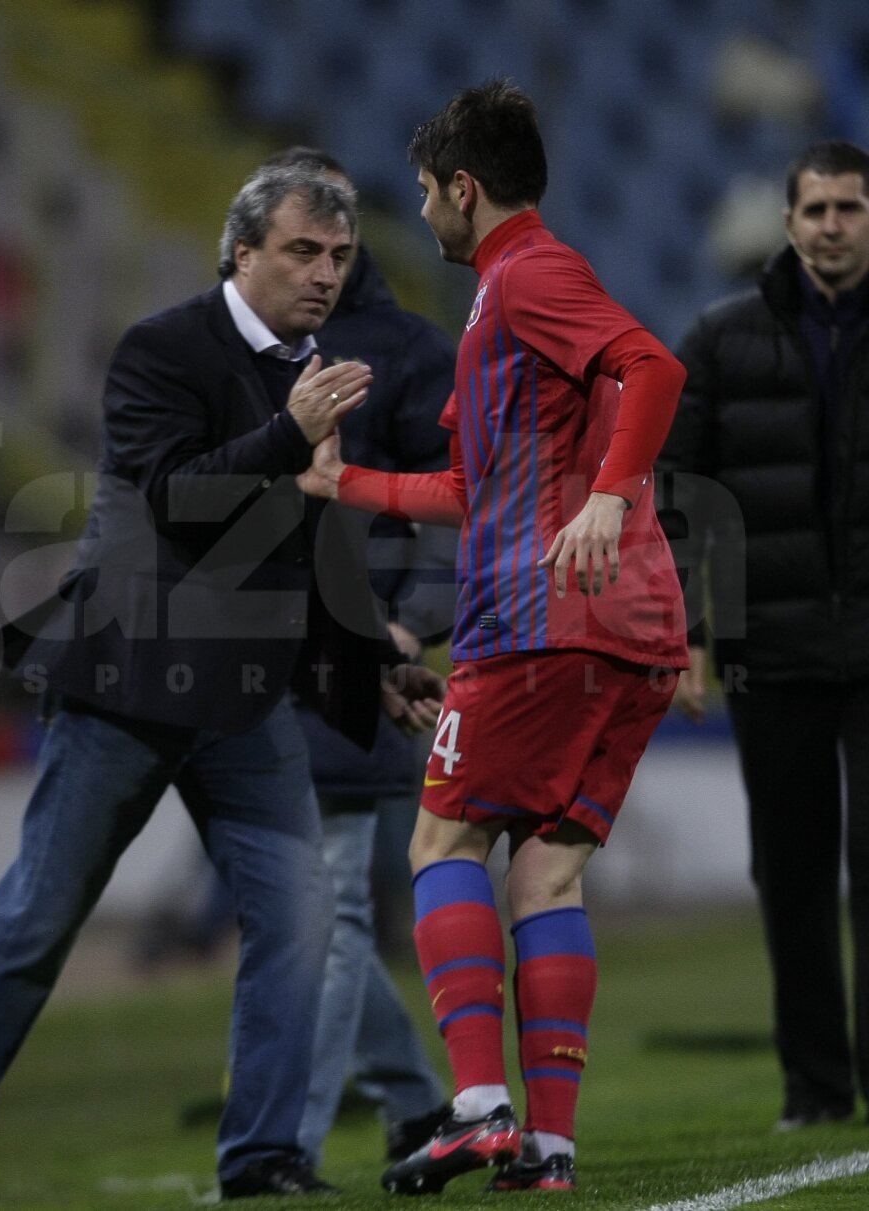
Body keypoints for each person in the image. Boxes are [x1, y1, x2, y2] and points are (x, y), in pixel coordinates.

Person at [0, 161, 444, 1209]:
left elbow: (308, 543)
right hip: (127, 682)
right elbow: (175, 497)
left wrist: (374, 659)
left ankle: (262, 1156)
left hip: (246, 700)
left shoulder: (314, 372)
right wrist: (289, 433)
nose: (325, 274)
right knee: (38, 920)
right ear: (243, 252)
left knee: (302, 920)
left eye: (338, 256)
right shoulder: (164, 348)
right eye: (302, 252)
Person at [298, 79, 689, 1195]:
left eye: (427, 192)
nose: (423, 211)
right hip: (632, 629)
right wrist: (343, 481)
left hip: (540, 620)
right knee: (547, 878)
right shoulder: (506, 300)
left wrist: (607, 496)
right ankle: (549, 1148)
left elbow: (655, 367)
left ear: (464, 188)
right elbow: (473, 488)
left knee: (441, 846)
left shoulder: (527, 275)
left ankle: (477, 1107)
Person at [659, 139, 869, 1131]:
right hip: (771, 652)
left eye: (849, 208)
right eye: (817, 209)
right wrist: (688, 631)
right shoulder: (719, 338)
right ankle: (817, 1088)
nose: (832, 225)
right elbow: (674, 496)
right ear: (788, 222)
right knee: (791, 874)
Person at [260, 147, 456, 1168]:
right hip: (247, 661)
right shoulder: (224, 344)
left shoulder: (409, 351)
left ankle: (283, 1147)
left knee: (327, 902)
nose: (315, 259)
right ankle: (416, 1097)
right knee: (298, 907)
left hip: (354, 656)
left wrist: (410, 625)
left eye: (326, 235)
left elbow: (458, 507)